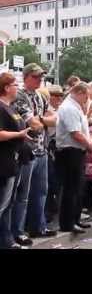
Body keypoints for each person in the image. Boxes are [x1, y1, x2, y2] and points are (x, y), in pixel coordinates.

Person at [10, 63, 57, 244]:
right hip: (27, 151)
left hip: (42, 150)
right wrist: (43, 121)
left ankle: (38, 226)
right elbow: (33, 125)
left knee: (41, 191)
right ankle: (18, 230)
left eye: (41, 77)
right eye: (36, 77)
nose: (40, 80)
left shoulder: (40, 95)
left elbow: (55, 118)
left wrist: (42, 119)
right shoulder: (20, 96)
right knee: (23, 194)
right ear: (27, 77)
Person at [56, 82, 92, 234]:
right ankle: (67, 222)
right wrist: (90, 144)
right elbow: (75, 133)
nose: (87, 99)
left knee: (78, 187)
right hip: (69, 151)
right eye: (86, 95)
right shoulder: (69, 108)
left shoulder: (76, 107)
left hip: (77, 151)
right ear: (79, 92)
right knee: (70, 188)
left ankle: (75, 218)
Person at [0, 73, 32, 249]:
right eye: (15, 85)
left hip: (14, 161)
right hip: (3, 163)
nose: (17, 88)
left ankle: (7, 240)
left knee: (8, 203)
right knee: (2, 204)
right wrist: (19, 134)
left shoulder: (11, 107)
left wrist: (24, 137)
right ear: (6, 88)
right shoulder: (1, 107)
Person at [44, 85, 64, 223]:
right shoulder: (47, 109)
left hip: (60, 148)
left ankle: (55, 209)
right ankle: (48, 213)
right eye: (54, 95)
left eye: (60, 95)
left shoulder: (60, 109)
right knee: (50, 182)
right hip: (49, 147)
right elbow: (54, 121)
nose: (58, 98)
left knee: (58, 182)